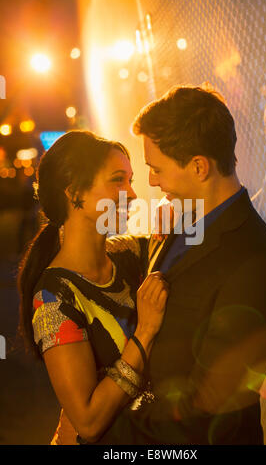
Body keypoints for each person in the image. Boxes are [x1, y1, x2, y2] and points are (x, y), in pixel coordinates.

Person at [93, 84, 266, 445]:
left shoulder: (259, 263)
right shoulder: (184, 221)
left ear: (199, 166)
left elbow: (208, 407)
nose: (152, 181)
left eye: (157, 169)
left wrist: (104, 429)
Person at [17, 130, 169, 445]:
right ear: (75, 194)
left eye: (131, 181)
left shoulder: (129, 255)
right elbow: (87, 421)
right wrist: (144, 334)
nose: (132, 194)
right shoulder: (52, 298)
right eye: (117, 180)